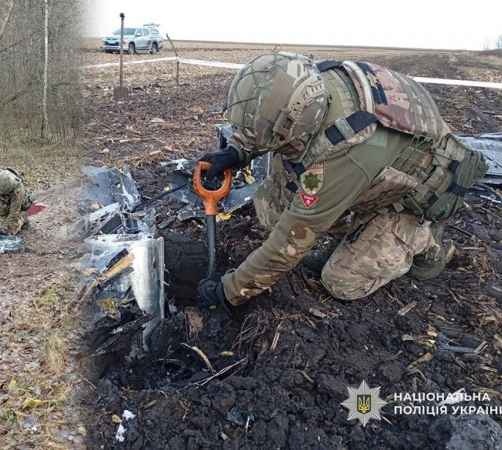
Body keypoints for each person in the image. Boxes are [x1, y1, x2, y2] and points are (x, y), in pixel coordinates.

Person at [196, 52, 487, 308]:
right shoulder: (308, 85)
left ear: (298, 127)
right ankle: (352, 225)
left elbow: (292, 240)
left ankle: (423, 239)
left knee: (340, 281)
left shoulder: (346, 152)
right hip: (376, 173)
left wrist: (230, 291)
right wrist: (236, 151)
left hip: (407, 194)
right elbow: (269, 113)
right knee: (269, 209)